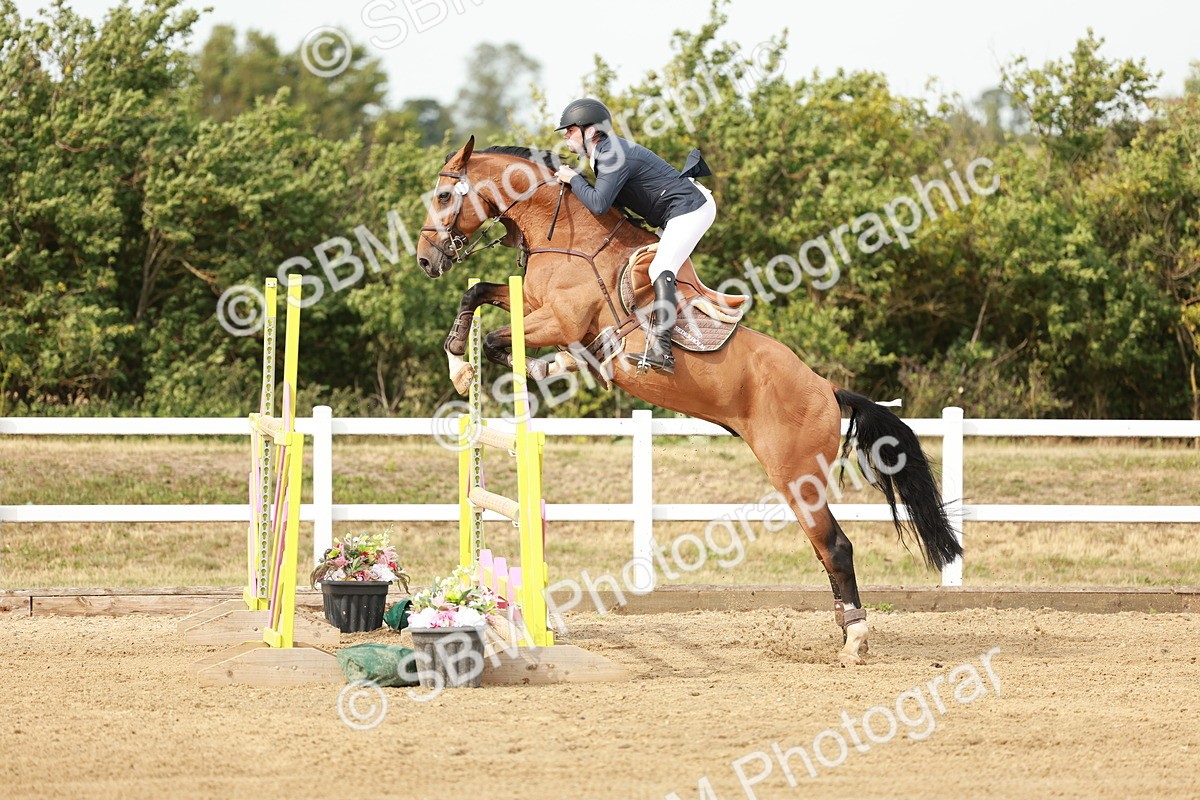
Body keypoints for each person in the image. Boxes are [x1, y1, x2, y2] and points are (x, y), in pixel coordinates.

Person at [553, 98, 715, 375]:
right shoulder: (603, 153)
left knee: (660, 268)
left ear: (590, 131)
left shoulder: (611, 154)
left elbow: (599, 204)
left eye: (570, 130)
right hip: (672, 213)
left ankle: (663, 351)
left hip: (691, 210)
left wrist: (574, 179)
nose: (566, 136)